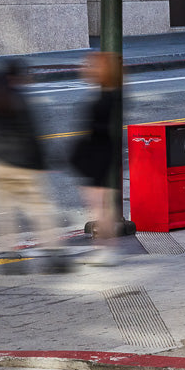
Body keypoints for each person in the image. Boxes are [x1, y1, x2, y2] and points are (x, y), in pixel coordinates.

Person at [0, 59, 62, 262]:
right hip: (23, 166)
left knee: (4, 211)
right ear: (16, 77)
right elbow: (32, 136)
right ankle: (54, 253)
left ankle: (8, 255)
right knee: (40, 209)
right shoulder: (19, 100)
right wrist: (42, 164)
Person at [69, 51, 123, 265]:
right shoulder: (108, 93)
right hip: (99, 155)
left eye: (91, 66)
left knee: (99, 206)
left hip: (98, 156)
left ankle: (107, 249)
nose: (86, 69)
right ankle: (107, 248)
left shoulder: (107, 96)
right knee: (100, 205)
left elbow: (99, 129)